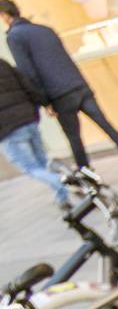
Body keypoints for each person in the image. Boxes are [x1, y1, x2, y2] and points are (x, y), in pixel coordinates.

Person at [0, 0, 118, 179]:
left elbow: (28, 72)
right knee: (108, 127)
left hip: (59, 95)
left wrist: (43, 102)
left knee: (74, 138)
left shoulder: (15, 36)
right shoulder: (45, 30)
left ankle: (87, 177)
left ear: (5, 16)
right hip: (79, 85)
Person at [0, 56, 67, 208]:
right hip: (28, 119)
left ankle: (64, 182)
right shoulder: (2, 62)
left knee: (30, 168)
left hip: (8, 129)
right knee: (43, 161)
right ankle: (63, 198)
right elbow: (27, 85)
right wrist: (43, 103)